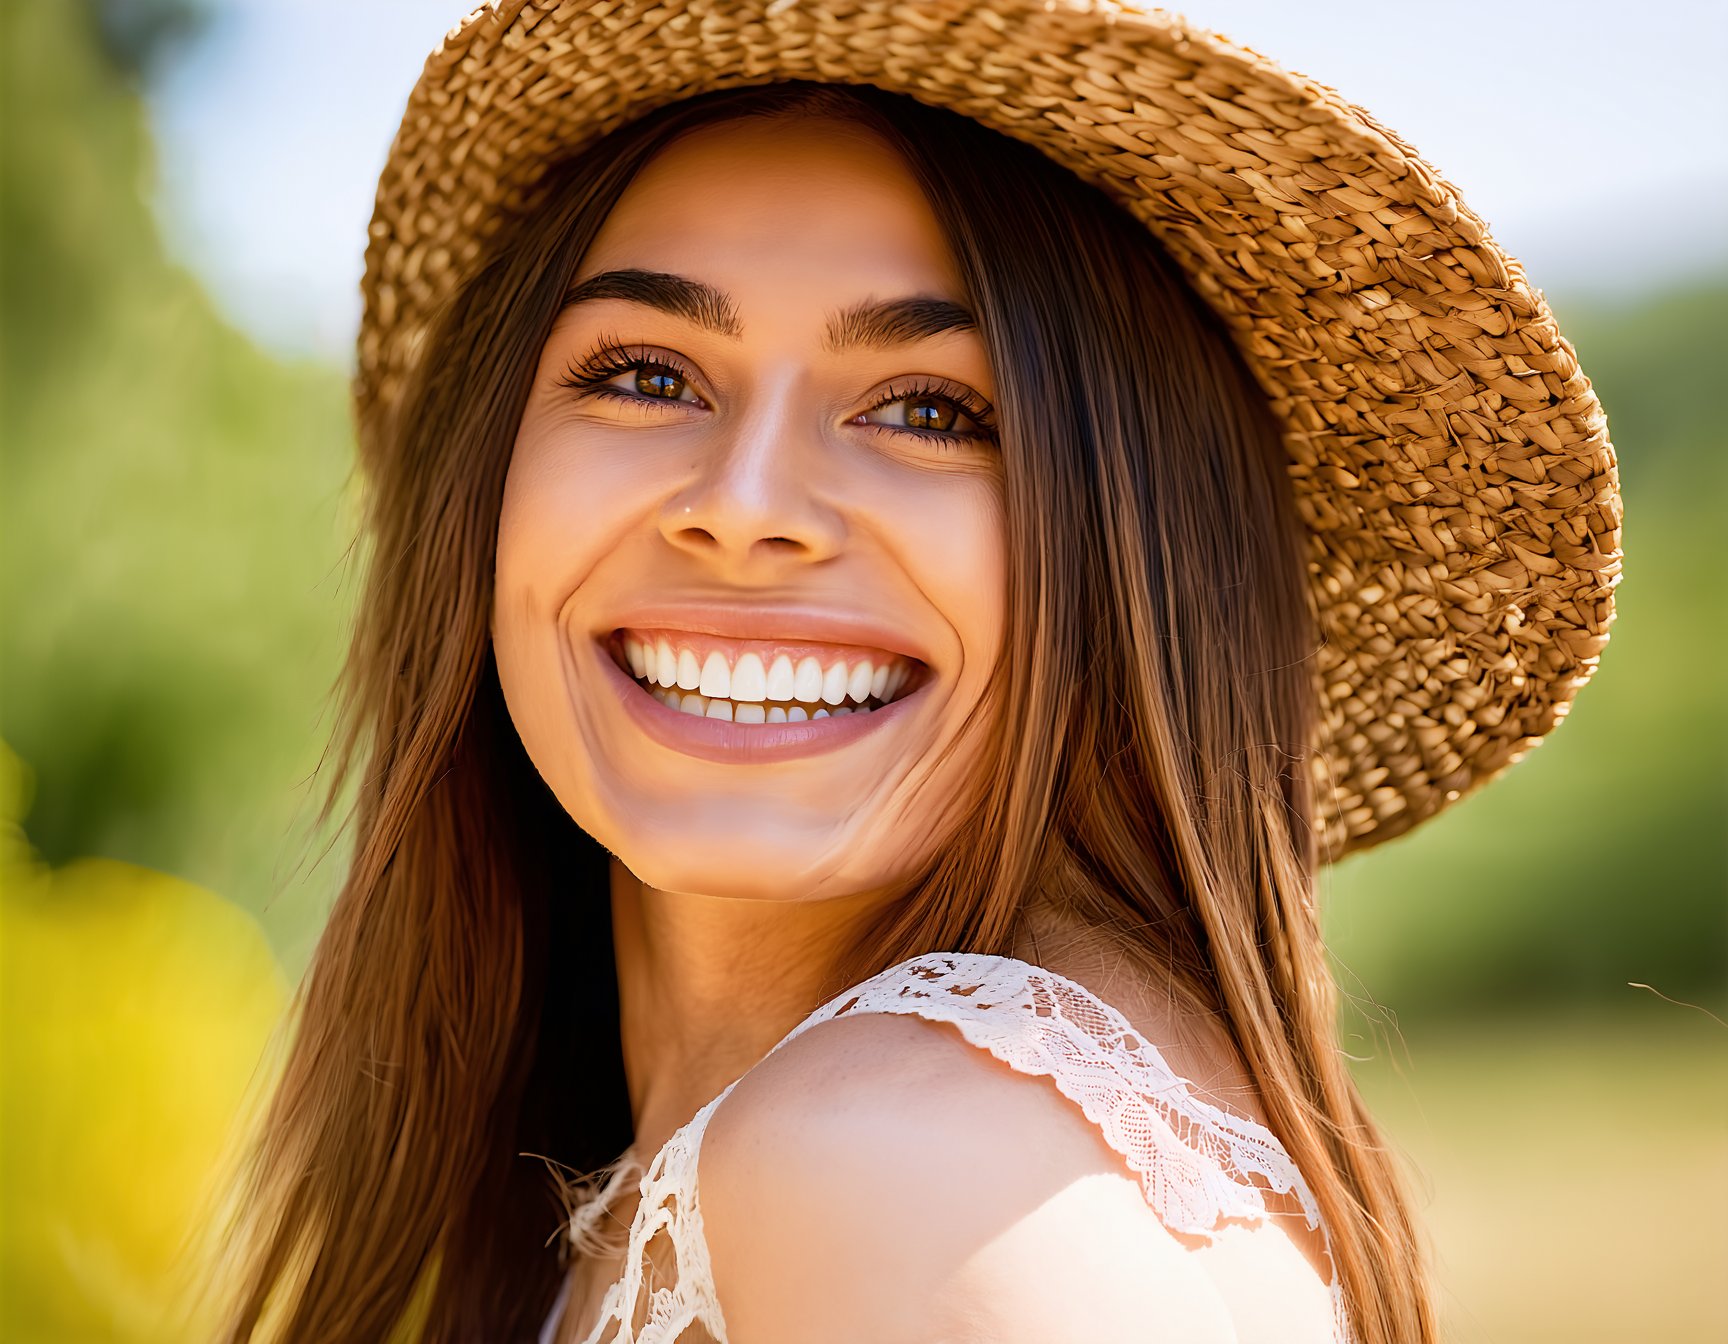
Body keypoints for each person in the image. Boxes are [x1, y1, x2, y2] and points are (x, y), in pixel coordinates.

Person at [212, 4, 1620, 1343]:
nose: (748, 501)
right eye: (646, 373)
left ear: (1135, 557)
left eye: (934, 410)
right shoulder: (875, 1147)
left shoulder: (897, 1164)